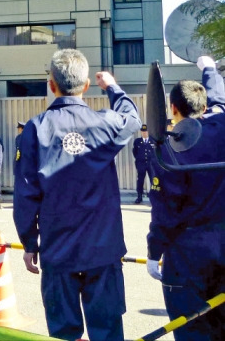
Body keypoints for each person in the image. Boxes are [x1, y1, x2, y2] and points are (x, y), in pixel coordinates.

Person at [14, 49, 141, 341]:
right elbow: (132, 118)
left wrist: (29, 243)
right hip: (103, 248)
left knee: (63, 333)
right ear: (86, 86)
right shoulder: (105, 123)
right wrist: (112, 87)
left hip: (58, 250)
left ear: (51, 84)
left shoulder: (35, 128)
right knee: (108, 330)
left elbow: (25, 192)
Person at [146, 72, 225, 340]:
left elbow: (164, 213)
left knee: (191, 327)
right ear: (204, 107)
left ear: (173, 109)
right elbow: (221, 104)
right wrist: (210, 71)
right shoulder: (223, 127)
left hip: (187, 252)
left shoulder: (168, 149)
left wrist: (153, 251)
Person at [132, 124, 155, 204]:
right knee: (140, 180)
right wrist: (139, 160)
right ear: (141, 132)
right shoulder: (137, 141)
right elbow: (135, 152)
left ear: (148, 132)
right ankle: (139, 196)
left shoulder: (153, 141)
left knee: (153, 180)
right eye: (143, 132)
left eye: (146, 131)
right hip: (141, 164)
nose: (144, 133)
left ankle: (154, 196)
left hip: (151, 164)